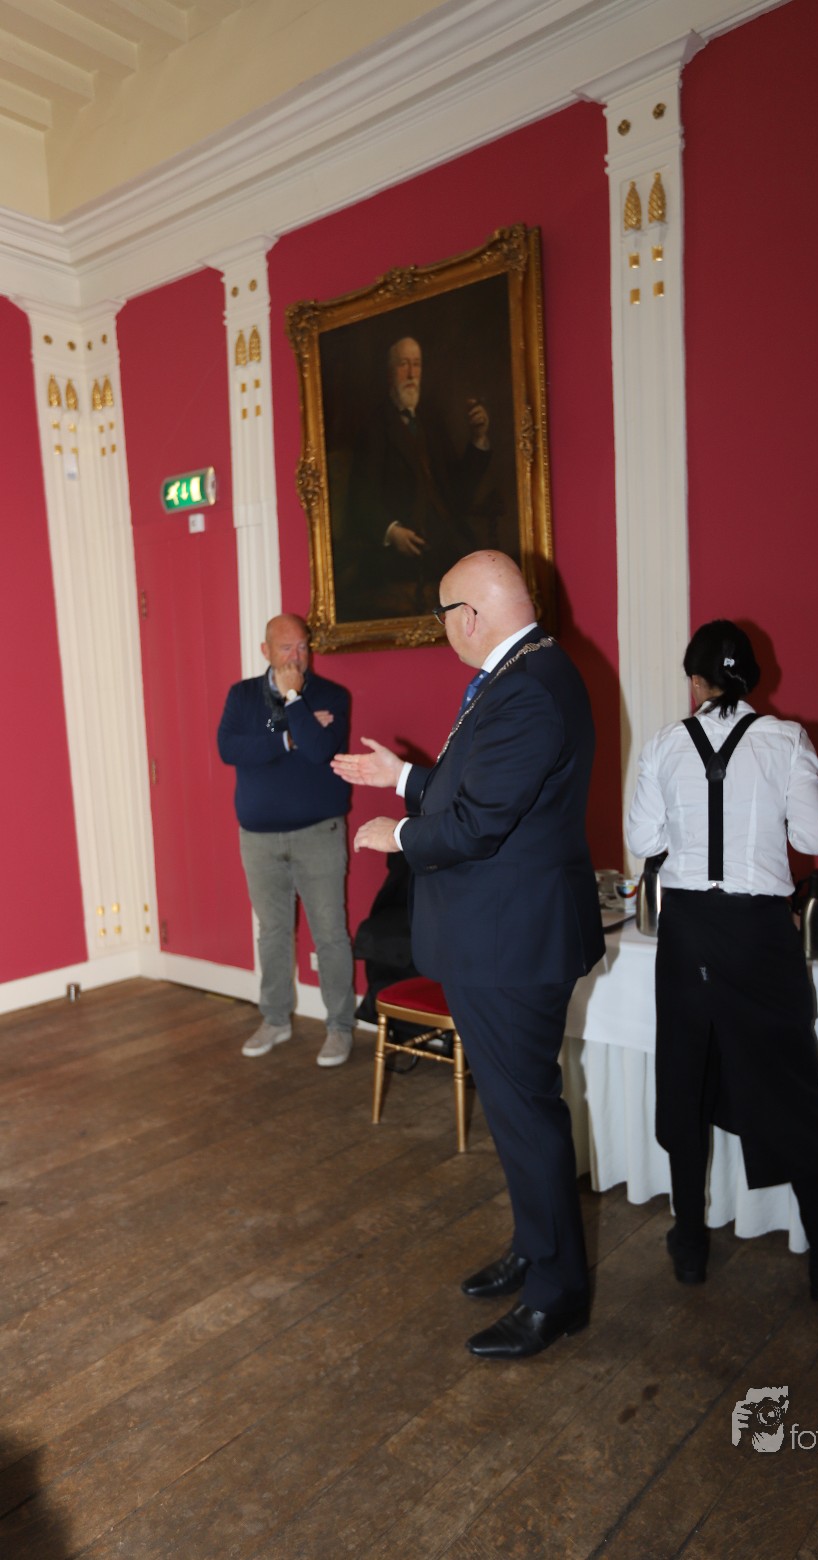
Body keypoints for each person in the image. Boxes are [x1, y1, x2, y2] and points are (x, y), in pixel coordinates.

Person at [333, 550, 605, 1358]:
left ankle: (558, 1294)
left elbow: (478, 824)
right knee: (517, 1112)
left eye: (443, 614)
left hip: (511, 943)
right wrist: (405, 778)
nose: (443, 629)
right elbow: (482, 790)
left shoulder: (526, 687)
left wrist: (399, 833)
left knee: (527, 1114)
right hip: (502, 935)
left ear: (470, 615)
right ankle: (535, 1245)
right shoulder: (525, 672)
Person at [625, 620, 818, 1303]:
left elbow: (642, 838)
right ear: (751, 681)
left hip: (688, 934)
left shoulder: (663, 744)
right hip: (759, 934)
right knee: (790, 1083)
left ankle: (689, 1244)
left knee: (685, 1076)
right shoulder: (786, 739)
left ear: (696, 681)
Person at [217, 613, 356, 1067]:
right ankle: (275, 1019)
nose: (296, 656)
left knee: (330, 933)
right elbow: (229, 749)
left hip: (318, 834)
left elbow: (320, 750)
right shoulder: (241, 696)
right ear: (265, 651)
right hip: (258, 838)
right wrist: (289, 736)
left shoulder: (331, 695)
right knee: (273, 933)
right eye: (285, 648)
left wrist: (295, 699)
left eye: (302, 647)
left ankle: (340, 1027)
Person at [334, 336, 495, 621]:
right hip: (402, 549)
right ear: (390, 374)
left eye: (416, 365)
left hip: (446, 538)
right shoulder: (374, 427)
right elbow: (361, 498)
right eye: (403, 365)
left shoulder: (431, 423)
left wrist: (478, 438)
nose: (410, 374)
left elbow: (456, 491)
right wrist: (391, 531)